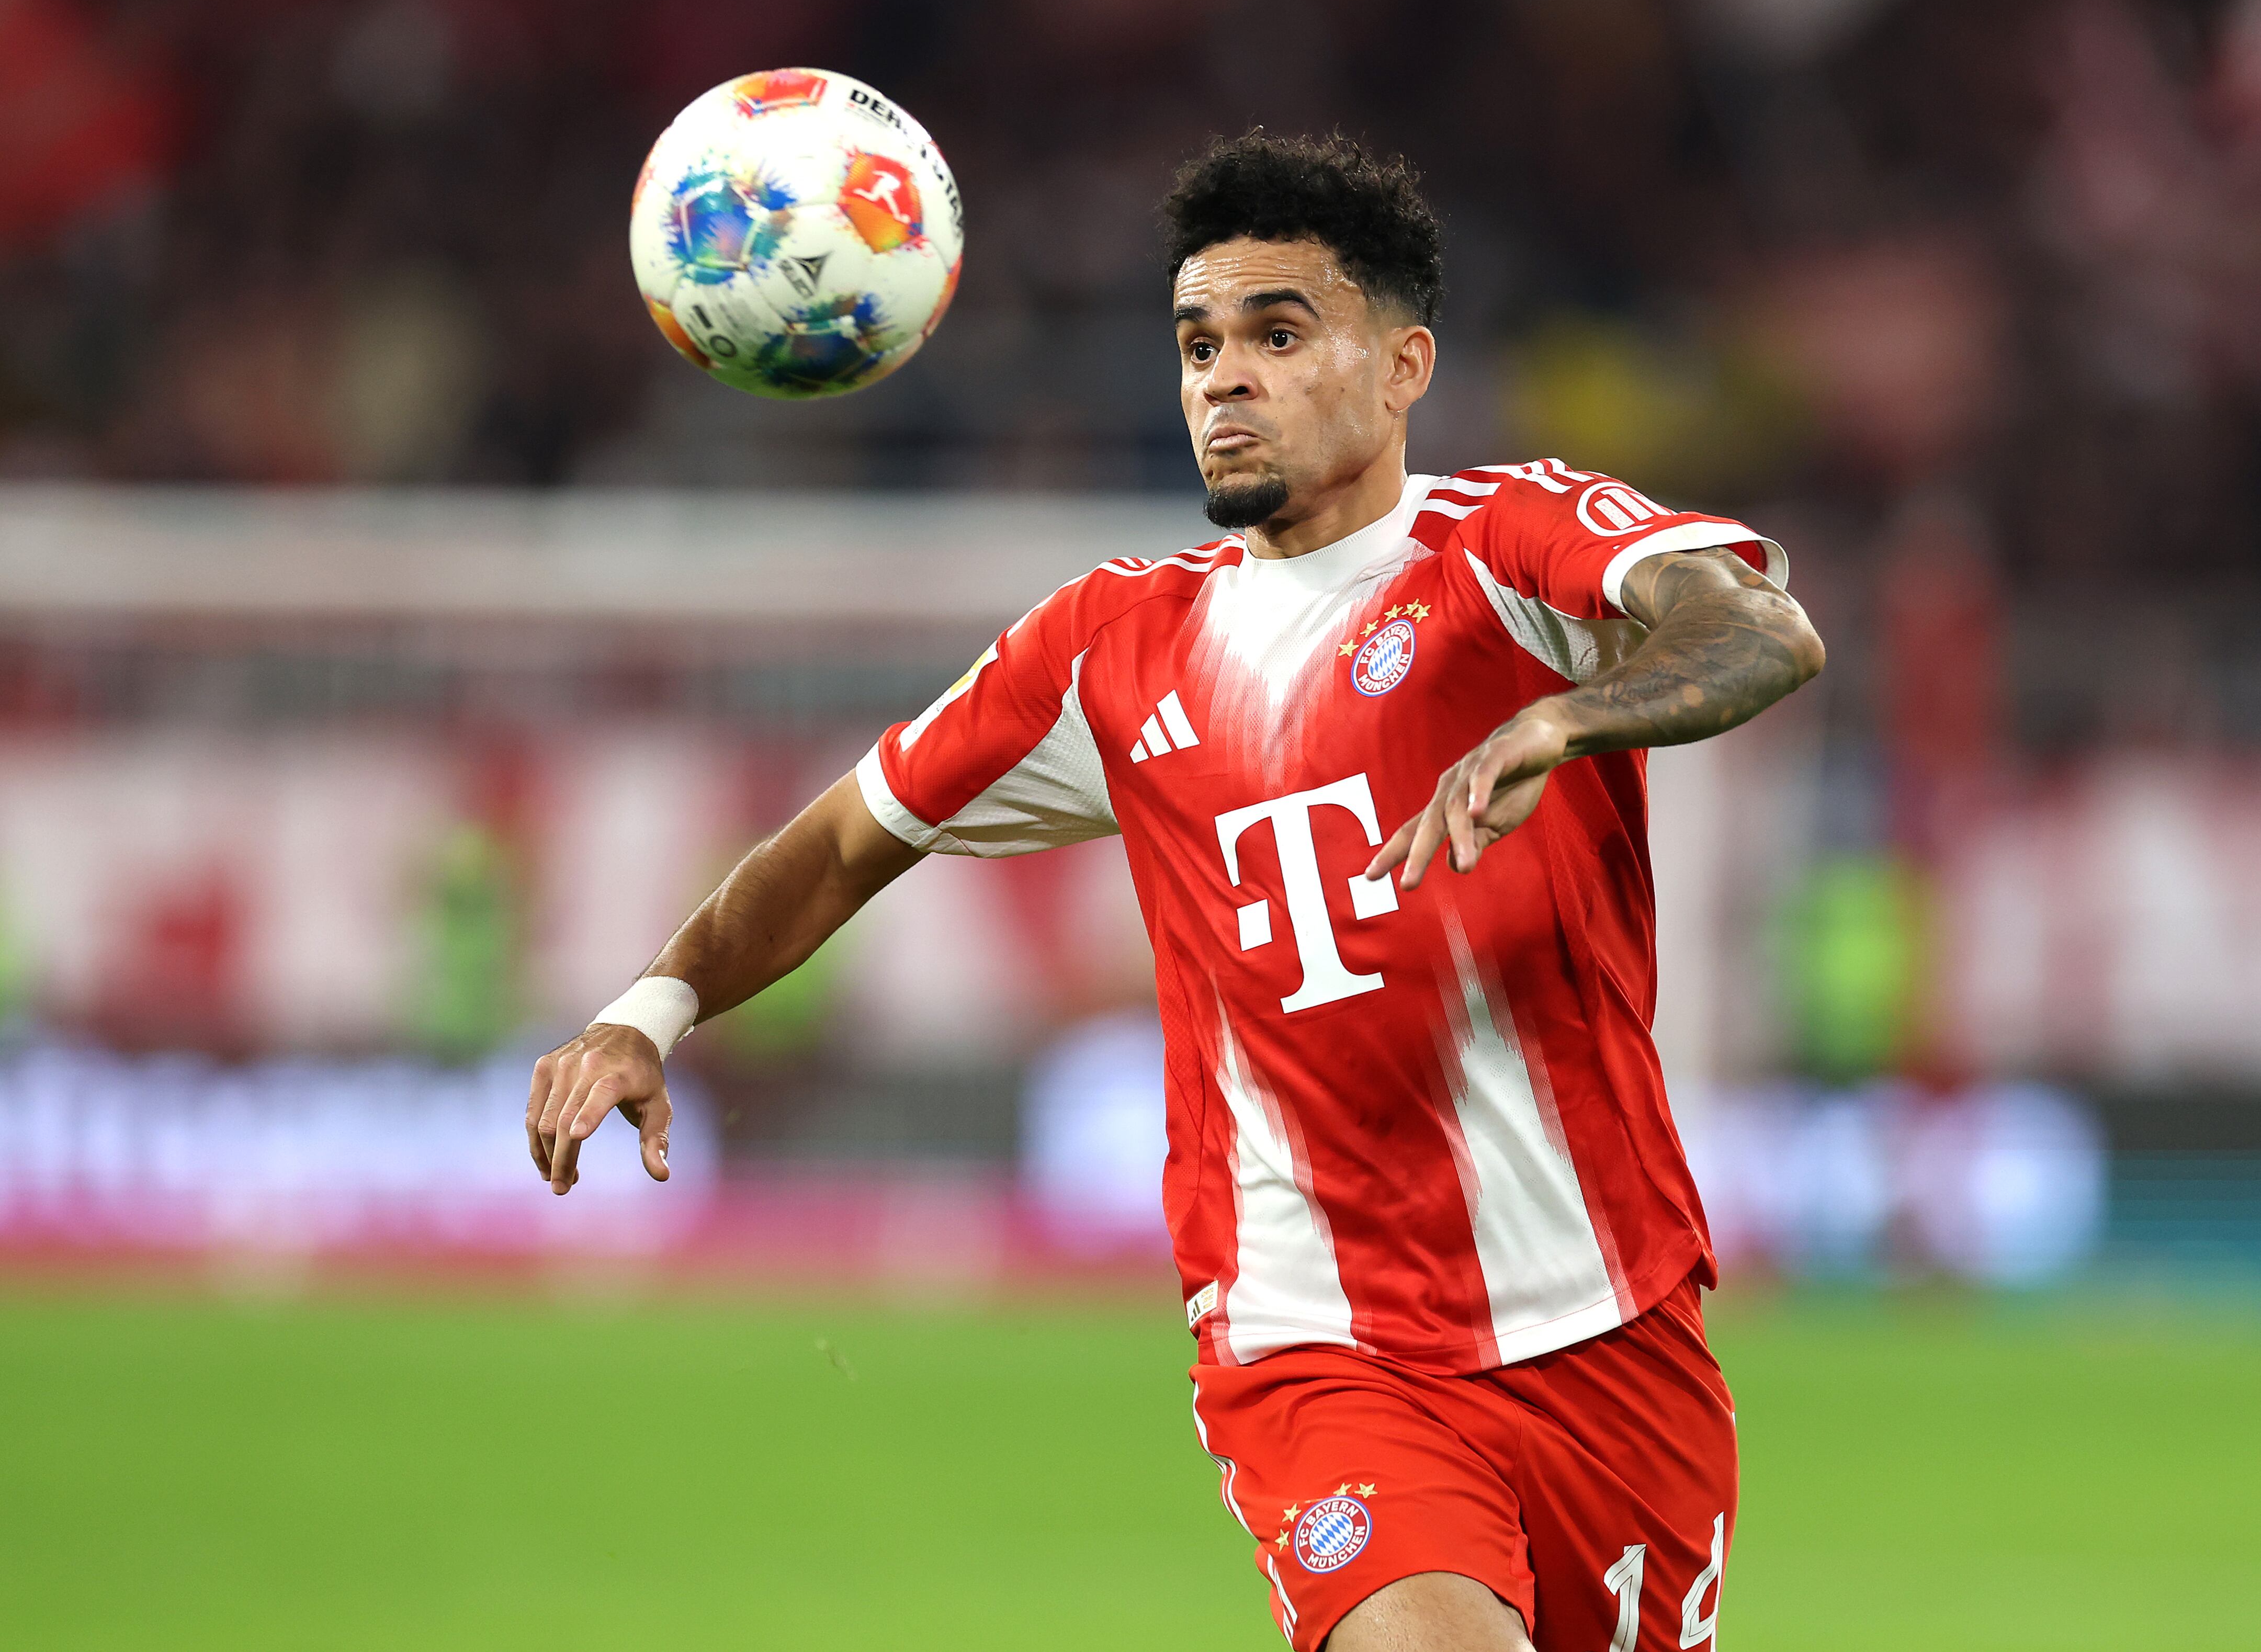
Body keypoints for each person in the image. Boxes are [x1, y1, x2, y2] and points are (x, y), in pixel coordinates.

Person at [528, 131, 1824, 1651]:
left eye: (1279, 334)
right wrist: (649, 1008)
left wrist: (1566, 715)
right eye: (1199, 343)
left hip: (1614, 1329)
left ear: (1404, 365)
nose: (1224, 378)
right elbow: (845, 838)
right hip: (1316, 1346)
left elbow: (1759, 629)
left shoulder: (1514, 552)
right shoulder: (1109, 647)